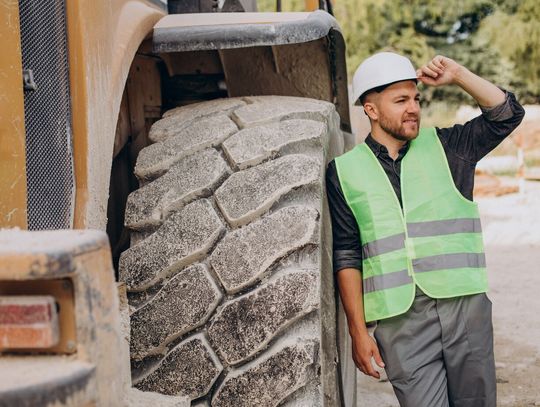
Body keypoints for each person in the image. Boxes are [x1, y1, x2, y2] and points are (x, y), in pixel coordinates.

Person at [326, 52, 525, 407]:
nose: (413, 108)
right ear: (371, 109)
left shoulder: (449, 147)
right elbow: (346, 254)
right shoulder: (344, 172)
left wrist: (459, 74)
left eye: (416, 99)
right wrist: (358, 332)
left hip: (464, 307)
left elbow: (506, 115)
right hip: (400, 321)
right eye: (400, 100)